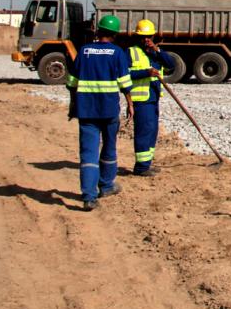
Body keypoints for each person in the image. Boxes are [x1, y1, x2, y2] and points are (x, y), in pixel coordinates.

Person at [67, 14, 134, 210]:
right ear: (114, 34)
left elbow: (72, 82)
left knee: (88, 153)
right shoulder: (117, 53)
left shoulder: (84, 51)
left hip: (86, 111)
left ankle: (88, 197)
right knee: (109, 148)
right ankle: (106, 185)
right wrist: (130, 104)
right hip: (109, 111)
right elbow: (125, 83)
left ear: (98, 31)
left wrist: (73, 105)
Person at [128, 19, 175, 176]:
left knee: (152, 131)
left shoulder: (155, 53)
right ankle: (141, 167)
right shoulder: (131, 52)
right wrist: (145, 73)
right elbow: (123, 74)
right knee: (144, 131)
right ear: (138, 37)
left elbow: (171, 64)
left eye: (149, 37)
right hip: (141, 100)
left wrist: (157, 51)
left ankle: (146, 164)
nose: (146, 40)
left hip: (153, 98)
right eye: (143, 37)